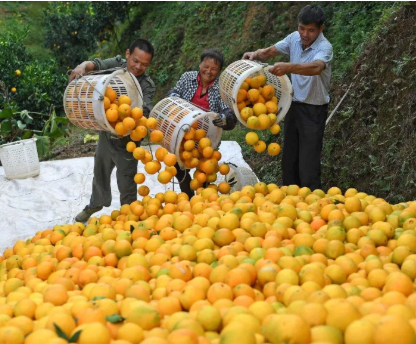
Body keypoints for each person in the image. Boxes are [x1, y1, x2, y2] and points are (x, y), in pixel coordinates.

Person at [243, 5, 333, 191]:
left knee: (308, 165)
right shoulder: (294, 38)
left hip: (313, 111)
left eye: (311, 30)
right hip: (293, 107)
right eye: (302, 28)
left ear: (321, 29)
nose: (305, 34)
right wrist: (255, 54)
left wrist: (289, 67)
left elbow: (316, 67)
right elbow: (270, 51)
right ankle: (291, 202)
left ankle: (312, 203)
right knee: (289, 160)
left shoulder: (325, 47)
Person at [69, 39, 157, 224]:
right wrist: (81, 66)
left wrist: (129, 121)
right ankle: (95, 204)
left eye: (144, 64)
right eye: (135, 61)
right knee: (100, 171)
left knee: (127, 181)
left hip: (129, 141)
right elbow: (96, 65)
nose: (138, 66)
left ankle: (129, 216)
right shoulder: (118, 64)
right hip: (106, 132)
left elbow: (145, 111)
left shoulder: (147, 85)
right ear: (127, 54)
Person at [167, 48, 237, 198]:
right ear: (200, 65)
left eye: (214, 69)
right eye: (206, 66)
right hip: (184, 132)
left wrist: (224, 118)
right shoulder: (187, 78)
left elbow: (229, 112)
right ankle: (189, 198)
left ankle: (204, 202)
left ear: (218, 71)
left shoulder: (220, 88)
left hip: (207, 137)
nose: (208, 71)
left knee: (205, 173)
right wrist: (172, 96)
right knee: (180, 167)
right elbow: (175, 92)